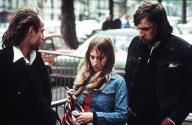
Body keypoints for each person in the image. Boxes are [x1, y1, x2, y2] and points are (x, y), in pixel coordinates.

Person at [124, 1, 192, 125]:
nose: (140, 34)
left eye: (146, 29)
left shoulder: (183, 50)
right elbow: (128, 78)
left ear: (160, 25)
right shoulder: (135, 44)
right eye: (138, 28)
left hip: (162, 120)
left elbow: (190, 91)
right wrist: (125, 104)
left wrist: (172, 119)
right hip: (134, 118)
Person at [0, 7, 60, 125]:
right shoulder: (3, 61)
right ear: (31, 31)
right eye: (41, 31)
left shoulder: (36, 58)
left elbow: (43, 98)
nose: (43, 36)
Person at [68, 36, 128, 125]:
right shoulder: (83, 76)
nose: (95, 63)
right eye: (92, 57)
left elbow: (122, 116)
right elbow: (74, 108)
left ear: (109, 58)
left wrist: (94, 116)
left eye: (100, 58)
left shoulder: (118, 82)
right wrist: (70, 102)